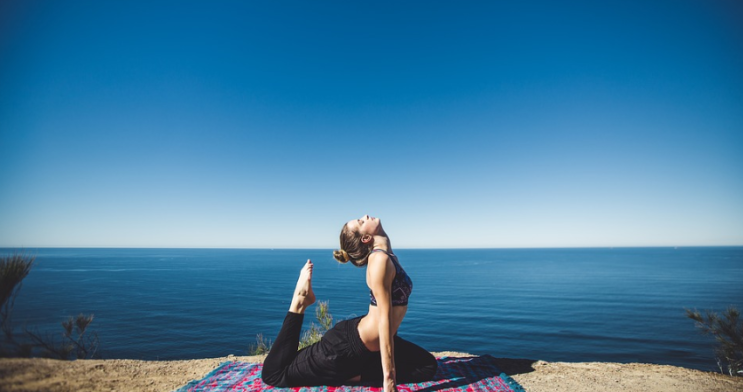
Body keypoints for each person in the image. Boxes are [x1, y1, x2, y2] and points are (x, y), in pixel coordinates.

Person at [261, 215, 437, 392]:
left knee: (428, 366)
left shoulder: (388, 257)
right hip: (344, 348)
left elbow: (390, 317)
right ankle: (299, 301)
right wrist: (389, 380)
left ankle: (348, 374)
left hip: (369, 345)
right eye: (361, 222)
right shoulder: (379, 261)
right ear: (366, 238)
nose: (365, 216)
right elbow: (385, 321)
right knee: (274, 374)